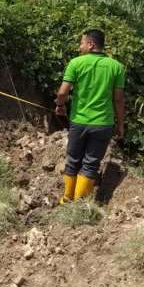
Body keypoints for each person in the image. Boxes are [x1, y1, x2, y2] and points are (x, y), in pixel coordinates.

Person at [54, 29, 126, 203]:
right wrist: (120, 124)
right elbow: (118, 99)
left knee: (73, 161)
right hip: (103, 124)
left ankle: (66, 199)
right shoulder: (116, 67)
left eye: (82, 43)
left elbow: (63, 92)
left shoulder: (76, 63)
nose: (80, 47)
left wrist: (60, 105)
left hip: (78, 121)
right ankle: (80, 205)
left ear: (91, 44)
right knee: (91, 164)